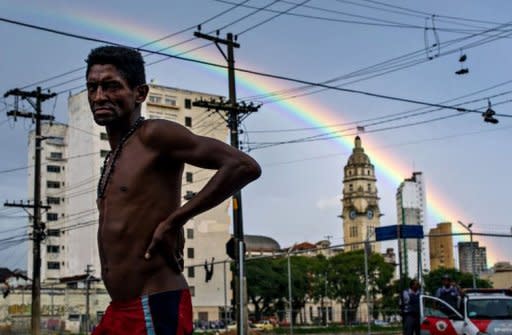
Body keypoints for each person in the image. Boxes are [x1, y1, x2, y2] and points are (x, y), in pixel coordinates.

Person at [85, 45, 262, 335]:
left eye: (111, 86)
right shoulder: (113, 156)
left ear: (139, 93)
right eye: (93, 87)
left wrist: (175, 220)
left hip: (153, 304)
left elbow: (242, 166)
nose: (99, 96)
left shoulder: (153, 135)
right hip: (120, 308)